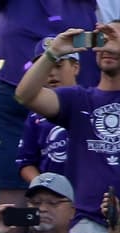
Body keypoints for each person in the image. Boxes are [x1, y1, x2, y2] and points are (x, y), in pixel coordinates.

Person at [16, 22, 120, 233]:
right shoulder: (79, 99)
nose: (107, 47)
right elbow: (25, 95)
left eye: (116, 39)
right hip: (86, 225)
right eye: (102, 40)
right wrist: (53, 53)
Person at [15, 38, 78, 186]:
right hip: (52, 198)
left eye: (58, 66)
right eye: (45, 67)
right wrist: (44, 185)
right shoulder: (35, 114)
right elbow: (26, 162)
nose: (51, 73)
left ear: (75, 67)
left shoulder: (90, 101)